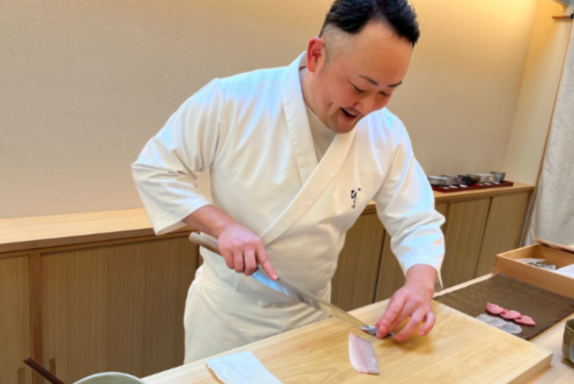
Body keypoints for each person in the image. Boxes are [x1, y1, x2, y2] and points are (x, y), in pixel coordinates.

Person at [132, 0, 445, 363]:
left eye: (387, 92)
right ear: (316, 55)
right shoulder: (234, 99)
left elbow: (417, 219)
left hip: (311, 315)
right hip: (227, 317)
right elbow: (156, 168)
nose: (368, 106)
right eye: (360, 87)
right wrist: (224, 227)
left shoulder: (387, 133)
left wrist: (420, 285)